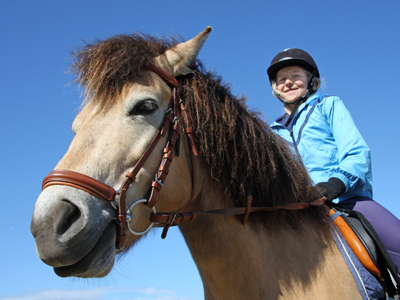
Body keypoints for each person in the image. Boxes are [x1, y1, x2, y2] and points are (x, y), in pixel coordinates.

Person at [267, 48, 400, 271]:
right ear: (275, 88)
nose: (288, 82)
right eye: (281, 79)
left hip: (345, 200)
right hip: (300, 211)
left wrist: (335, 184)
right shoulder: (271, 133)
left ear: (312, 82)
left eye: (295, 76)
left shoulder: (329, 106)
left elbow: (357, 152)